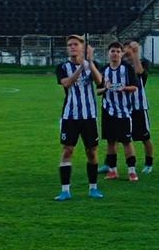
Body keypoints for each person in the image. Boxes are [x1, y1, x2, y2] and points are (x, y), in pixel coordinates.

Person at [52, 35, 105, 201]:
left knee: (92, 151)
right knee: (67, 150)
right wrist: (81, 67)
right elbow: (66, 83)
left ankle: (93, 187)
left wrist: (90, 62)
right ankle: (65, 190)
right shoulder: (62, 67)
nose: (72, 47)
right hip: (70, 116)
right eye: (70, 45)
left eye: (75, 44)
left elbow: (100, 82)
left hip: (89, 116)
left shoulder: (93, 64)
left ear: (83, 47)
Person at [100, 41, 139, 182]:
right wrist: (105, 88)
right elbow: (97, 90)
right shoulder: (104, 70)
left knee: (127, 141)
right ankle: (113, 171)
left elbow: (135, 87)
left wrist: (124, 88)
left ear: (121, 54)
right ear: (108, 53)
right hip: (108, 110)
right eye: (112, 51)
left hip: (124, 111)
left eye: (118, 51)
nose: (115, 54)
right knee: (111, 141)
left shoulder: (127, 68)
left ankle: (132, 171)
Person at [123, 41, 154, 174]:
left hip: (139, 106)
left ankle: (149, 163)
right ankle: (113, 164)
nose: (128, 53)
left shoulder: (143, 63)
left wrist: (135, 54)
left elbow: (139, 72)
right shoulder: (121, 66)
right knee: (122, 138)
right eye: (127, 51)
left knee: (145, 138)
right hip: (124, 108)